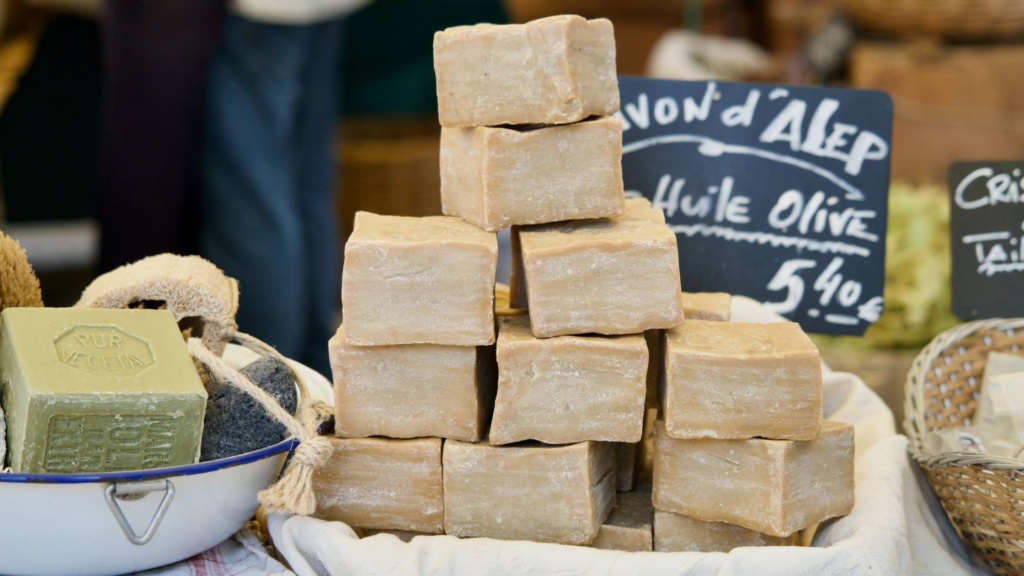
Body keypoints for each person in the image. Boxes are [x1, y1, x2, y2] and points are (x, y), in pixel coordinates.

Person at [199, 0, 371, 377]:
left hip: (258, 11)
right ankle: (313, 378)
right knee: (305, 187)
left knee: (252, 196)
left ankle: (264, 384)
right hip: (317, 8)